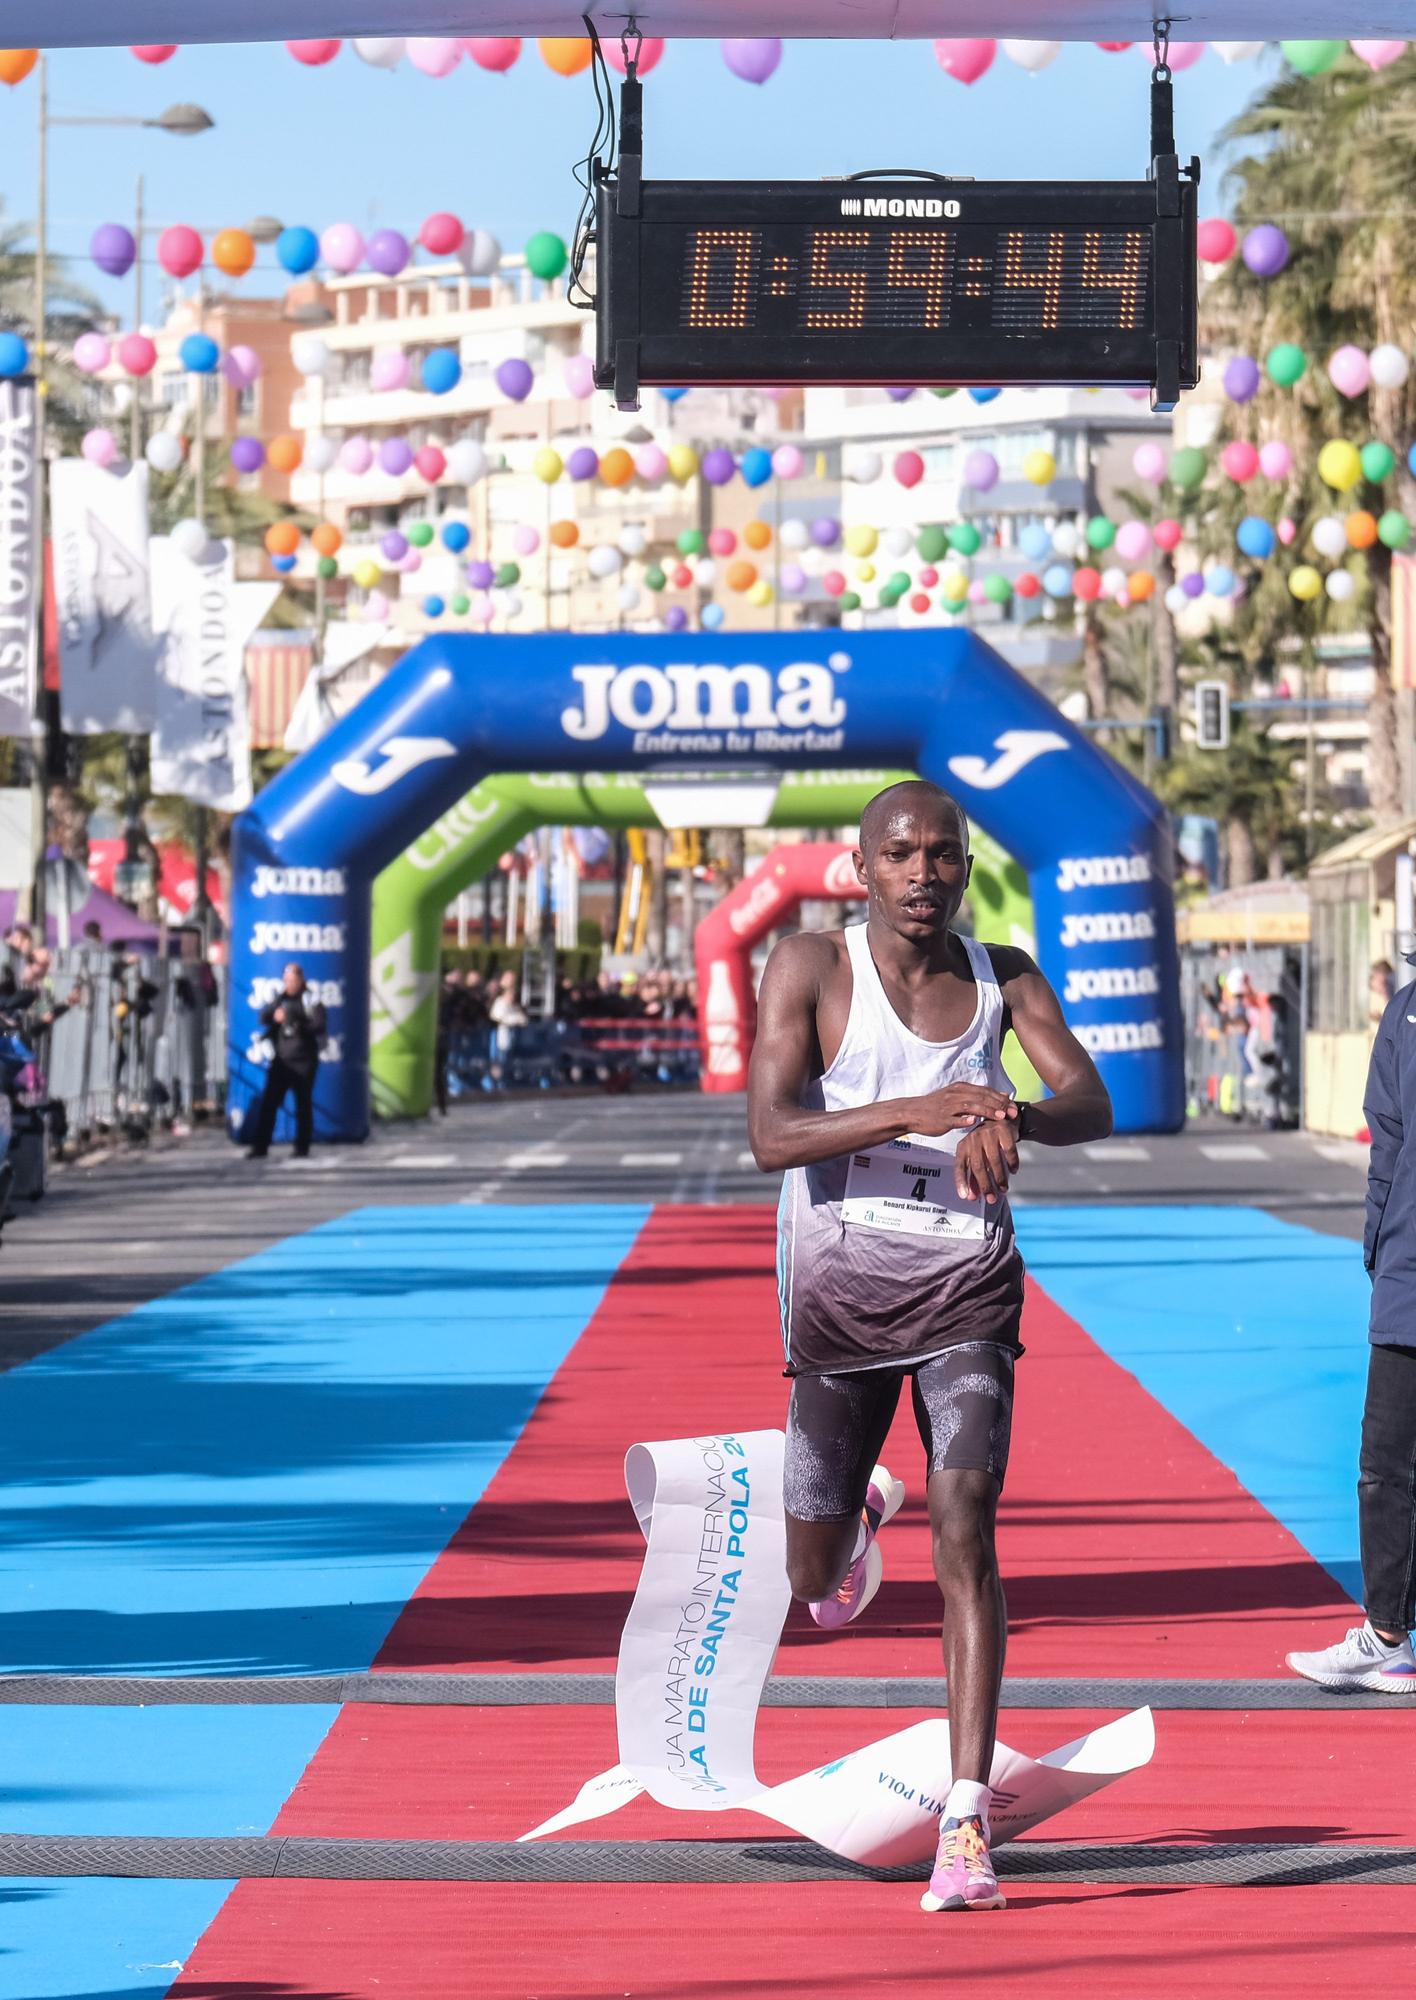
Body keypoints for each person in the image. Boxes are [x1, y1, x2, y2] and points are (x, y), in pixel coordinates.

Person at [747, 779, 1113, 1915]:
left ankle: (966, 1818)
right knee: (816, 1583)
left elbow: (1091, 1098)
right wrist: (912, 1110)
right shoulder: (809, 967)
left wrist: (1011, 1114)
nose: (922, 874)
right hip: (840, 1303)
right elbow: (771, 1134)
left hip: (968, 1290)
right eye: (899, 855)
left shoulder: (1002, 975)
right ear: (862, 868)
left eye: (942, 855)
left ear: (965, 866)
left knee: (970, 1524)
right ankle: (857, 1511)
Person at [1286, 961, 1416, 1692]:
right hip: (1409, 1273)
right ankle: (1388, 1635)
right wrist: (1379, 1247)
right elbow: (1387, 1146)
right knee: (1385, 1467)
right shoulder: (1405, 1012)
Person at [246, 962, 326, 1160]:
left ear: (301, 979)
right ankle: (261, 1146)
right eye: (286, 980)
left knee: (303, 1105)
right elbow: (263, 1016)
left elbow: (319, 1024)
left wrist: (296, 1019)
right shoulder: (280, 999)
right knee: (270, 1103)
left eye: (292, 980)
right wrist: (276, 1017)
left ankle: (302, 1147)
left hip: (304, 1060)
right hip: (282, 1060)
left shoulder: (310, 999)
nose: (288, 984)